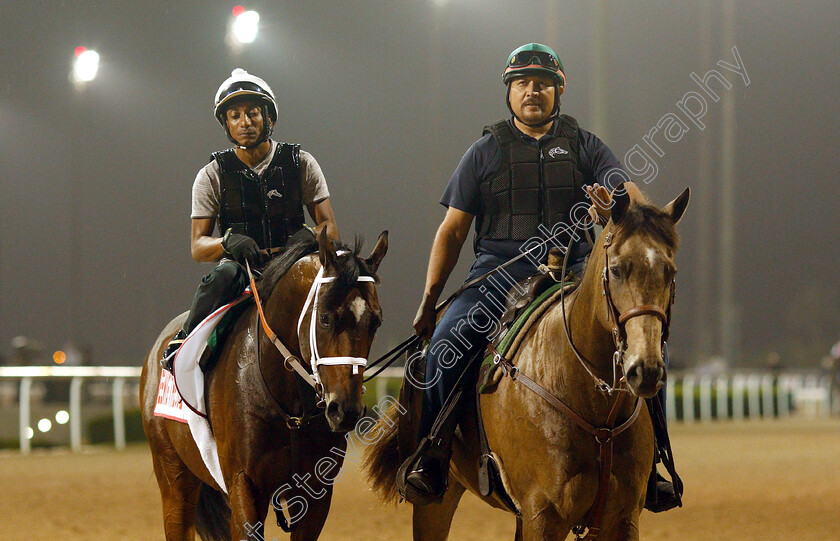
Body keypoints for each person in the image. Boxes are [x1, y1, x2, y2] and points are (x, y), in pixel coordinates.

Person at [405, 43, 679, 511]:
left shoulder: (585, 146)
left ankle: (652, 463)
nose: (532, 91)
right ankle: (434, 452)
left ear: (559, 91)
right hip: (496, 275)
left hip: (573, 274)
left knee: (642, 343)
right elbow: (452, 231)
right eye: (522, 83)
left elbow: (626, 193)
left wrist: (625, 212)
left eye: (543, 83)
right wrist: (430, 300)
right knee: (447, 344)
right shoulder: (483, 151)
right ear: (509, 93)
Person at [161, 69, 338, 369]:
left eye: (253, 113)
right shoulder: (211, 175)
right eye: (235, 116)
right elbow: (197, 247)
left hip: (294, 265)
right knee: (223, 276)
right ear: (226, 124)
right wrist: (227, 243)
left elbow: (329, 227)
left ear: (269, 118)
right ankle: (183, 342)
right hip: (243, 270)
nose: (245, 122)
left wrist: (310, 235)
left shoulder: (302, 162)